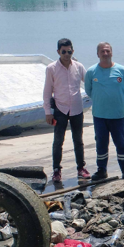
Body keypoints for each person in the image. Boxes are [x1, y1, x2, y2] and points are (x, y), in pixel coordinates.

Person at [43, 38, 89, 183]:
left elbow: (89, 83)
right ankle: (56, 170)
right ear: (58, 52)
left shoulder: (79, 66)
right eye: (64, 51)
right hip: (60, 109)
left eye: (69, 51)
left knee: (78, 140)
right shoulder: (51, 68)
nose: (67, 54)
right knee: (58, 141)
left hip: (76, 108)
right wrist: (47, 112)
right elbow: (47, 91)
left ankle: (81, 168)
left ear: (73, 51)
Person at [84, 42, 124, 180]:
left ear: (111, 52)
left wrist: (116, 98)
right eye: (102, 51)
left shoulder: (122, 70)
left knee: (122, 144)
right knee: (101, 144)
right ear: (97, 54)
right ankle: (101, 170)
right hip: (99, 115)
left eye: (107, 51)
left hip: (117, 115)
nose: (105, 54)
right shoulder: (91, 71)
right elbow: (89, 90)